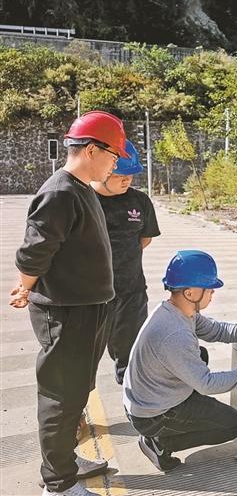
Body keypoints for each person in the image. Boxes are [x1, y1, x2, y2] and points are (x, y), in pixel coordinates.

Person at [10, 111, 129, 496]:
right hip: (66, 313)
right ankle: (58, 484)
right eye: (114, 155)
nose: (115, 164)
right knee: (60, 398)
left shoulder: (82, 189)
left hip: (90, 309)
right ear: (92, 150)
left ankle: (66, 461)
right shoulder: (59, 192)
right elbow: (34, 251)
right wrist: (24, 287)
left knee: (77, 392)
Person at [123, 250, 237, 472]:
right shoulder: (175, 334)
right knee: (233, 423)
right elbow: (207, 384)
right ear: (190, 292)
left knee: (201, 354)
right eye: (209, 288)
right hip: (152, 416)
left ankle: (170, 425)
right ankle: (159, 443)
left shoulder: (175, 310)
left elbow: (215, 329)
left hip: (149, 398)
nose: (212, 293)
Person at [91, 139, 160, 385]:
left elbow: (144, 239)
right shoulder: (83, 200)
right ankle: (77, 399)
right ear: (103, 170)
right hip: (90, 295)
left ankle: (131, 390)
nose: (127, 181)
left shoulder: (139, 202)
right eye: (121, 175)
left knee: (130, 350)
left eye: (131, 176)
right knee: (84, 354)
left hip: (131, 291)